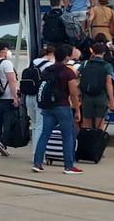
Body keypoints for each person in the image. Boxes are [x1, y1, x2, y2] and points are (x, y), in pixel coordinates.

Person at [32, 43, 84, 175]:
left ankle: (37, 163)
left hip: (47, 106)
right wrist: (77, 110)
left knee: (45, 134)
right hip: (62, 106)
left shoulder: (47, 70)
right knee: (67, 135)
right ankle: (68, 165)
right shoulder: (68, 72)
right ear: (67, 58)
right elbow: (73, 93)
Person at [22, 42, 54, 151]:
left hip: (28, 96)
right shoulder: (48, 65)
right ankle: (38, 153)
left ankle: (35, 151)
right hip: (40, 97)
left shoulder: (32, 63)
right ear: (51, 54)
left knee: (35, 124)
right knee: (41, 125)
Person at [77, 46, 114, 131]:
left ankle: (87, 142)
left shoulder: (85, 64)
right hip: (101, 96)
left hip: (86, 97)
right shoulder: (107, 66)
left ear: (93, 52)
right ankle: (98, 142)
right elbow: (108, 83)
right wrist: (112, 101)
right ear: (103, 53)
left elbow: (75, 75)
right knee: (99, 124)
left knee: (86, 122)